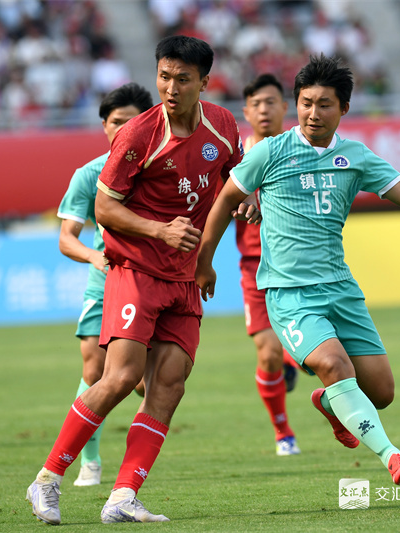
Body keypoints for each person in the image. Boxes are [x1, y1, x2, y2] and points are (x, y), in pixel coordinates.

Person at [196, 55, 400, 487]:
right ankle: (391, 455)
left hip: (341, 289)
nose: (313, 113)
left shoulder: (355, 156)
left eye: (325, 104)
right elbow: (224, 201)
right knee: (333, 364)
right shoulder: (269, 153)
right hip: (289, 292)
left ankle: (330, 403)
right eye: (306, 103)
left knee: (381, 393)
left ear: (344, 108)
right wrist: (204, 261)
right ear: (297, 103)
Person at [26, 35, 258, 525]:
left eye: (183, 79)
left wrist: (242, 207)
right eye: (164, 76)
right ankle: (47, 479)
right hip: (136, 270)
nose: (171, 88)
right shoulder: (138, 134)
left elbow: (230, 182)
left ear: (204, 82)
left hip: (185, 276)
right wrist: (160, 229)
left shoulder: (222, 126)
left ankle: (123, 496)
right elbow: (104, 208)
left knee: (170, 385)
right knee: (120, 377)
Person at [56, 82, 153, 487]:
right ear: (104, 126)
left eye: (132, 122)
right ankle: (90, 460)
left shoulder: (160, 169)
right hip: (105, 284)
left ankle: (134, 472)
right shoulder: (89, 174)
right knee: (94, 368)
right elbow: (66, 238)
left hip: (153, 284)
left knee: (147, 382)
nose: (123, 129)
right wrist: (95, 257)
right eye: (116, 122)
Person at [237, 73, 302, 456]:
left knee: (316, 359)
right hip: (254, 270)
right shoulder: (234, 158)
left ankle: (297, 362)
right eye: (256, 104)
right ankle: (283, 433)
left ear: (284, 108)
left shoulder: (301, 149)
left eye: (271, 102)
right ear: (246, 112)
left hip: (297, 266)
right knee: (268, 354)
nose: (264, 110)